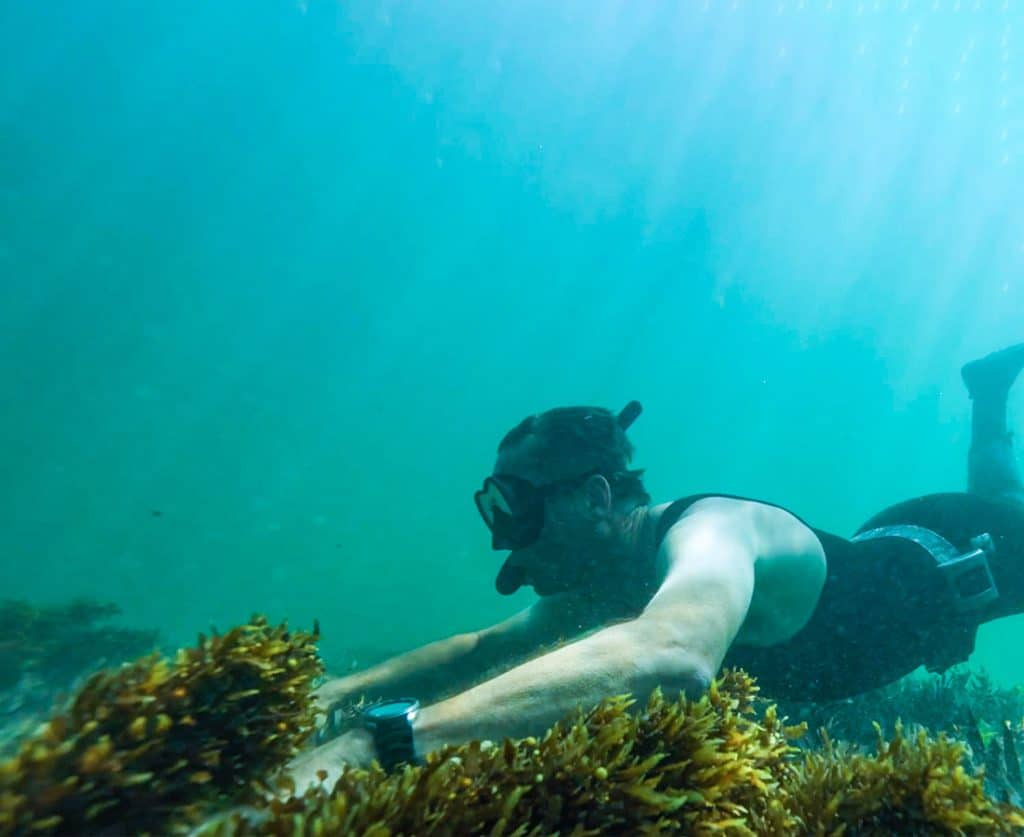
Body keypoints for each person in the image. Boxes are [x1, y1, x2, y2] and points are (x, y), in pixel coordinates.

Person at [288, 343, 1024, 787]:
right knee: (997, 488)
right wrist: (343, 689)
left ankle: (990, 398)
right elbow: (486, 648)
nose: (504, 540)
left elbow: (671, 657)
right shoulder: (610, 577)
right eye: (494, 511)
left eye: (516, 509)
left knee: (999, 501)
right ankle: (989, 393)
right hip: (902, 543)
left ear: (596, 497)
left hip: (959, 553)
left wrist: (379, 744)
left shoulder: (713, 535)